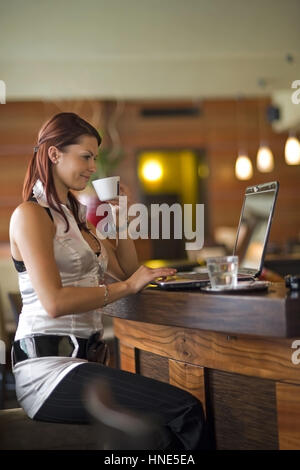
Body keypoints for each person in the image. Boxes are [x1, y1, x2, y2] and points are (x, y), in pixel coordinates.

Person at [9, 112, 206, 450]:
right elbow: (54, 302)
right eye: (85, 156)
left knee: (169, 422)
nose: (92, 167)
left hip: (81, 364)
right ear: (54, 154)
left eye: (95, 158)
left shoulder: (75, 219)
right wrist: (128, 288)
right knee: (186, 409)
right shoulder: (30, 215)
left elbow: (125, 272)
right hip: (47, 372)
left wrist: (123, 221)